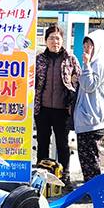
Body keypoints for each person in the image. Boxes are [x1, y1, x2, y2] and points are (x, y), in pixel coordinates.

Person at [34, 25, 81, 191]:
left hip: (63, 110)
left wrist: (76, 82)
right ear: (45, 40)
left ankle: (64, 177)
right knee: (42, 142)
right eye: (51, 38)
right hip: (43, 109)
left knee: (62, 143)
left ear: (62, 40)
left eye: (58, 38)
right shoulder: (39, 59)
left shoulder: (70, 59)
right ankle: (41, 174)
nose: (55, 41)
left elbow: (80, 82)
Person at [74, 29, 104, 183]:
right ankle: (91, 190)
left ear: (98, 46)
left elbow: (90, 86)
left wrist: (86, 65)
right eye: (85, 46)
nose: (86, 49)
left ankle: (94, 192)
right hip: (89, 119)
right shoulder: (95, 62)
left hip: (94, 120)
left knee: (90, 160)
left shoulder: (100, 62)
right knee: (87, 158)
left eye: (90, 46)